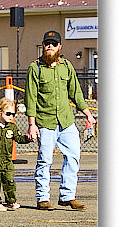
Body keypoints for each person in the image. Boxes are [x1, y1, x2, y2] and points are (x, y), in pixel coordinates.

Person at [25, 30, 96, 211]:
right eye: (47, 43)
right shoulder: (36, 67)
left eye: (53, 43)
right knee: (45, 160)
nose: (50, 46)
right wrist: (31, 125)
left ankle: (67, 196)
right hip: (45, 122)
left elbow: (76, 93)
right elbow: (31, 98)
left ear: (59, 47)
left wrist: (88, 114)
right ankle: (42, 198)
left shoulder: (67, 66)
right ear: (42, 46)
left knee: (73, 156)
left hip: (66, 122)